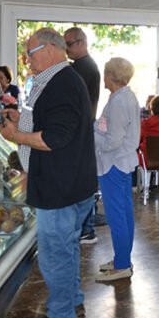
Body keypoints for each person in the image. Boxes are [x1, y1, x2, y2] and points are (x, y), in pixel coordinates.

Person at [0, 28, 96, 318]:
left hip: (59, 187)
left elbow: (55, 138)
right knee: (67, 248)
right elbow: (50, 123)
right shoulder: (60, 79)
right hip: (70, 182)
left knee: (55, 253)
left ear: (51, 49)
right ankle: (73, 301)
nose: (27, 59)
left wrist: (16, 136)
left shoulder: (62, 83)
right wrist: (21, 124)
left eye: (30, 52)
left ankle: (62, 315)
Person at [94, 58, 140, 281]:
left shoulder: (120, 101)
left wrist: (91, 135)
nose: (103, 77)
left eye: (105, 73)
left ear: (111, 76)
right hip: (121, 162)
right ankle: (122, 258)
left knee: (116, 216)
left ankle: (122, 264)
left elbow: (112, 141)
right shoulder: (122, 97)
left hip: (114, 163)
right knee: (123, 213)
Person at [64, 27, 102, 243]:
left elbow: (81, 104)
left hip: (81, 129)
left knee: (82, 182)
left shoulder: (85, 68)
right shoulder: (81, 66)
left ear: (81, 43)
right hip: (83, 128)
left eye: (68, 44)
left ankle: (86, 228)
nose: (66, 49)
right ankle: (86, 227)